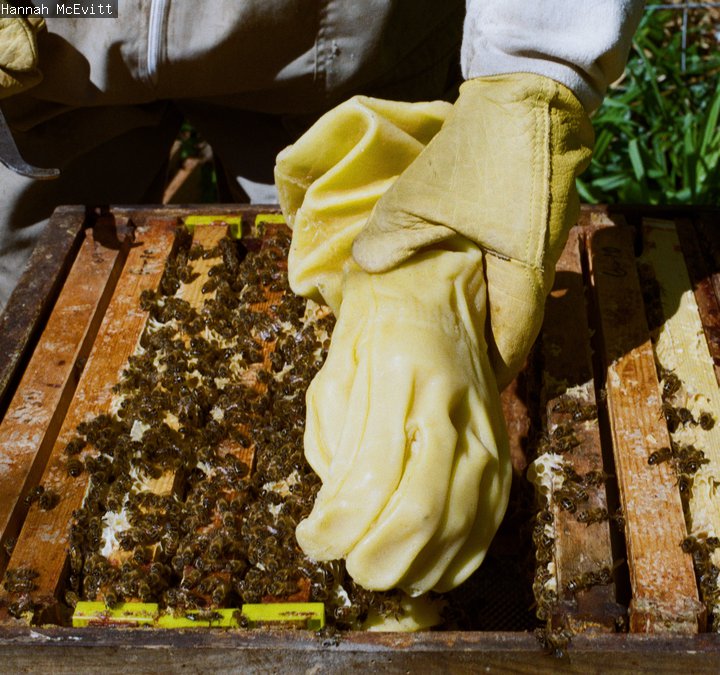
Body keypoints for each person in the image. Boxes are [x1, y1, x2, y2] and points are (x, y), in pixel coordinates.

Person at [0, 1, 645, 596]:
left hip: (328, 33)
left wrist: (536, 65)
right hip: (53, 32)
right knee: (31, 354)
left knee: (363, 320)